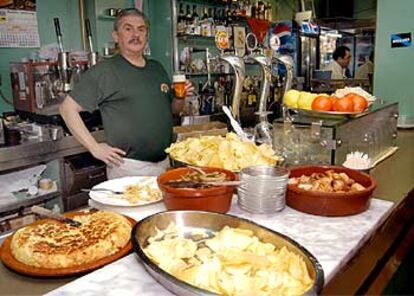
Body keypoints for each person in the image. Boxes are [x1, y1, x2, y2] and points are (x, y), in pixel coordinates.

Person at [59, 9, 194, 179]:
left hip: (164, 164)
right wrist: (95, 148)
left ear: (146, 35)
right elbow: (67, 109)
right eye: (128, 28)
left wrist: (180, 96)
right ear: (116, 36)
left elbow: (173, 110)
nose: (135, 34)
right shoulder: (106, 70)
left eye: (141, 29)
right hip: (128, 168)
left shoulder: (156, 68)